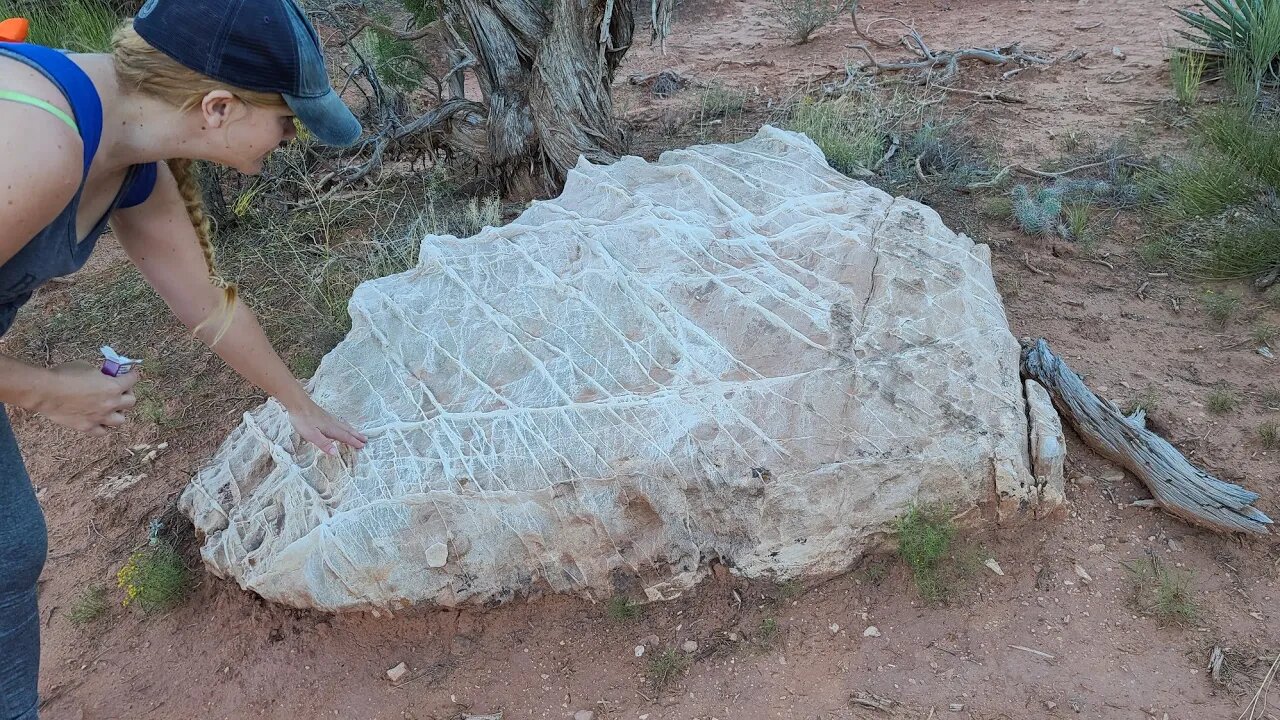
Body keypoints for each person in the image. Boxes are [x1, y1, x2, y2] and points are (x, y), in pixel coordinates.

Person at [0, 2, 369, 717]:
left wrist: (299, 403)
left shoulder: (129, 160)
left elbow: (207, 305)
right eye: (287, 121)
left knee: (11, 548)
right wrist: (45, 391)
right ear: (218, 107)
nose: (288, 140)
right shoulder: (41, 147)